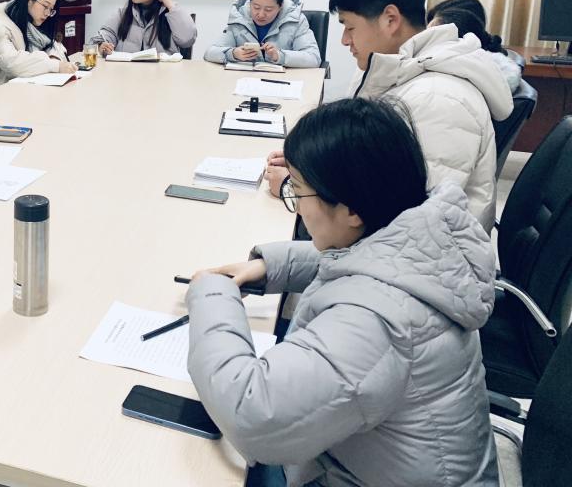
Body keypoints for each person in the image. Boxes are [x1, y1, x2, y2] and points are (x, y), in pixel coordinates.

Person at [188, 98, 499, 487]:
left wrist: (211, 296)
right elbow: (372, 261)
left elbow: (252, 415)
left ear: (352, 211)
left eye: (298, 192)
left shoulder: (378, 324)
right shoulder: (420, 233)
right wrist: (273, 266)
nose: (297, 209)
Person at [265, 0, 513, 231]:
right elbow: (368, 163)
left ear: (390, 19)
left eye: (349, 27)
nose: (344, 40)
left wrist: (293, 191)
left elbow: (408, 222)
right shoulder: (388, 70)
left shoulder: (439, 100)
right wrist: (312, 167)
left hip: (409, 251)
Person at [203, 0, 321, 67]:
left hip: (283, 83)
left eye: (268, 10)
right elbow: (210, 53)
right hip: (244, 81)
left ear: (280, 7)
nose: (260, 14)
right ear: (250, 3)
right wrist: (233, 54)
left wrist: (279, 56)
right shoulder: (239, 18)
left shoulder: (296, 21)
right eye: (256, 7)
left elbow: (313, 58)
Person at [89, 0, 197, 57]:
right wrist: (102, 45)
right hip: (127, 72)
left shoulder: (171, 14)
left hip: (162, 73)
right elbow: (99, 38)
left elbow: (187, 40)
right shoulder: (122, 14)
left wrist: (171, 6)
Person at [429, 6, 522, 92]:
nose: (425, 41)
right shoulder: (491, 75)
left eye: (430, 36)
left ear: (462, 44)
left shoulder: (451, 84)